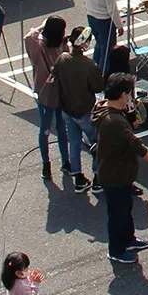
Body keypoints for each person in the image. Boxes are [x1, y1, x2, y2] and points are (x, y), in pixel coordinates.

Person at [92, 72, 148, 264]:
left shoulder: (104, 109)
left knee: (125, 209)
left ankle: (129, 239)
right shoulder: (115, 122)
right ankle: (116, 250)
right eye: (130, 93)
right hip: (114, 175)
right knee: (117, 214)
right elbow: (136, 146)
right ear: (123, 95)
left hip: (117, 173)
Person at [53, 26, 104, 192]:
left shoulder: (62, 59)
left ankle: (78, 177)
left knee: (74, 142)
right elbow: (97, 87)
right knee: (97, 143)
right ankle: (97, 178)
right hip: (84, 110)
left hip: (67, 109)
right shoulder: (88, 65)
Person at [24, 15, 71, 182]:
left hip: (44, 94)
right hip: (60, 92)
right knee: (61, 128)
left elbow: (28, 37)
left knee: (44, 130)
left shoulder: (38, 47)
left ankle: (46, 164)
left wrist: (41, 26)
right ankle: (66, 162)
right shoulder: (61, 47)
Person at [83, 0, 121, 74]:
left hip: (91, 16)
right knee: (108, 50)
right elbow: (112, 8)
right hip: (104, 21)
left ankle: (94, 68)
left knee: (99, 44)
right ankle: (103, 75)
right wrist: (119, 25)